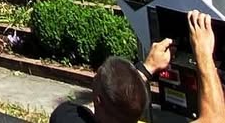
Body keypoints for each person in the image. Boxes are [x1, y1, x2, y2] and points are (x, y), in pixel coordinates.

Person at [49, 11, 225, 123]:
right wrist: (203, 54)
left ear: (98, 101)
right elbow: (215, 119)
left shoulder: (65, 116)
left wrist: (146, 68)